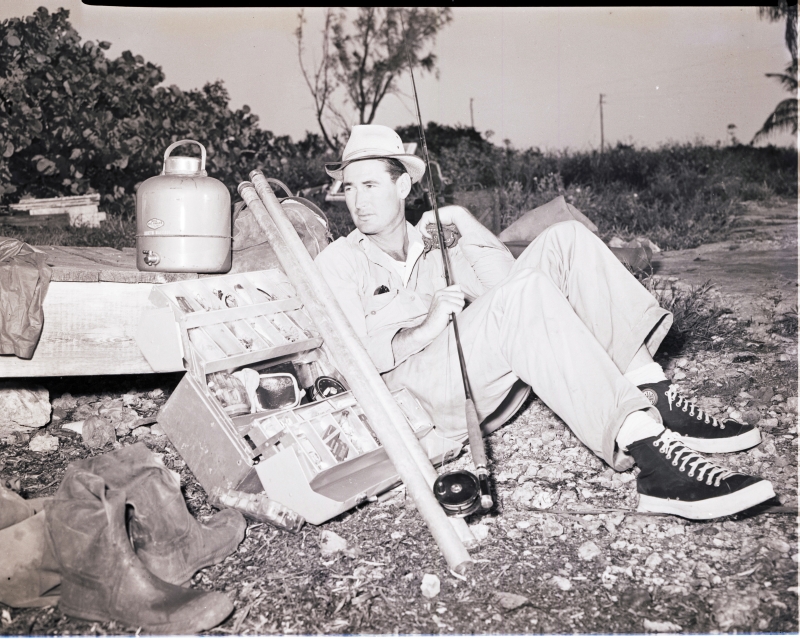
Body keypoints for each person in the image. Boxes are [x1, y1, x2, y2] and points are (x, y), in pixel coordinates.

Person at [314, 124, 775, 520]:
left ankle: (651, 391)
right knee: (522, 296)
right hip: (419, 394)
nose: (356, 200)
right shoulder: (339, 261)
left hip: (483, 374)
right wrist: (425, 327)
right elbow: (345, 361)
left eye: (369, 185)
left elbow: (513, 283)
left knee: (567, 239)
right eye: (349, 188)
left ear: (403, 187)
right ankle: (651, 456)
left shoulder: (440, 234)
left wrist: (463, 221)